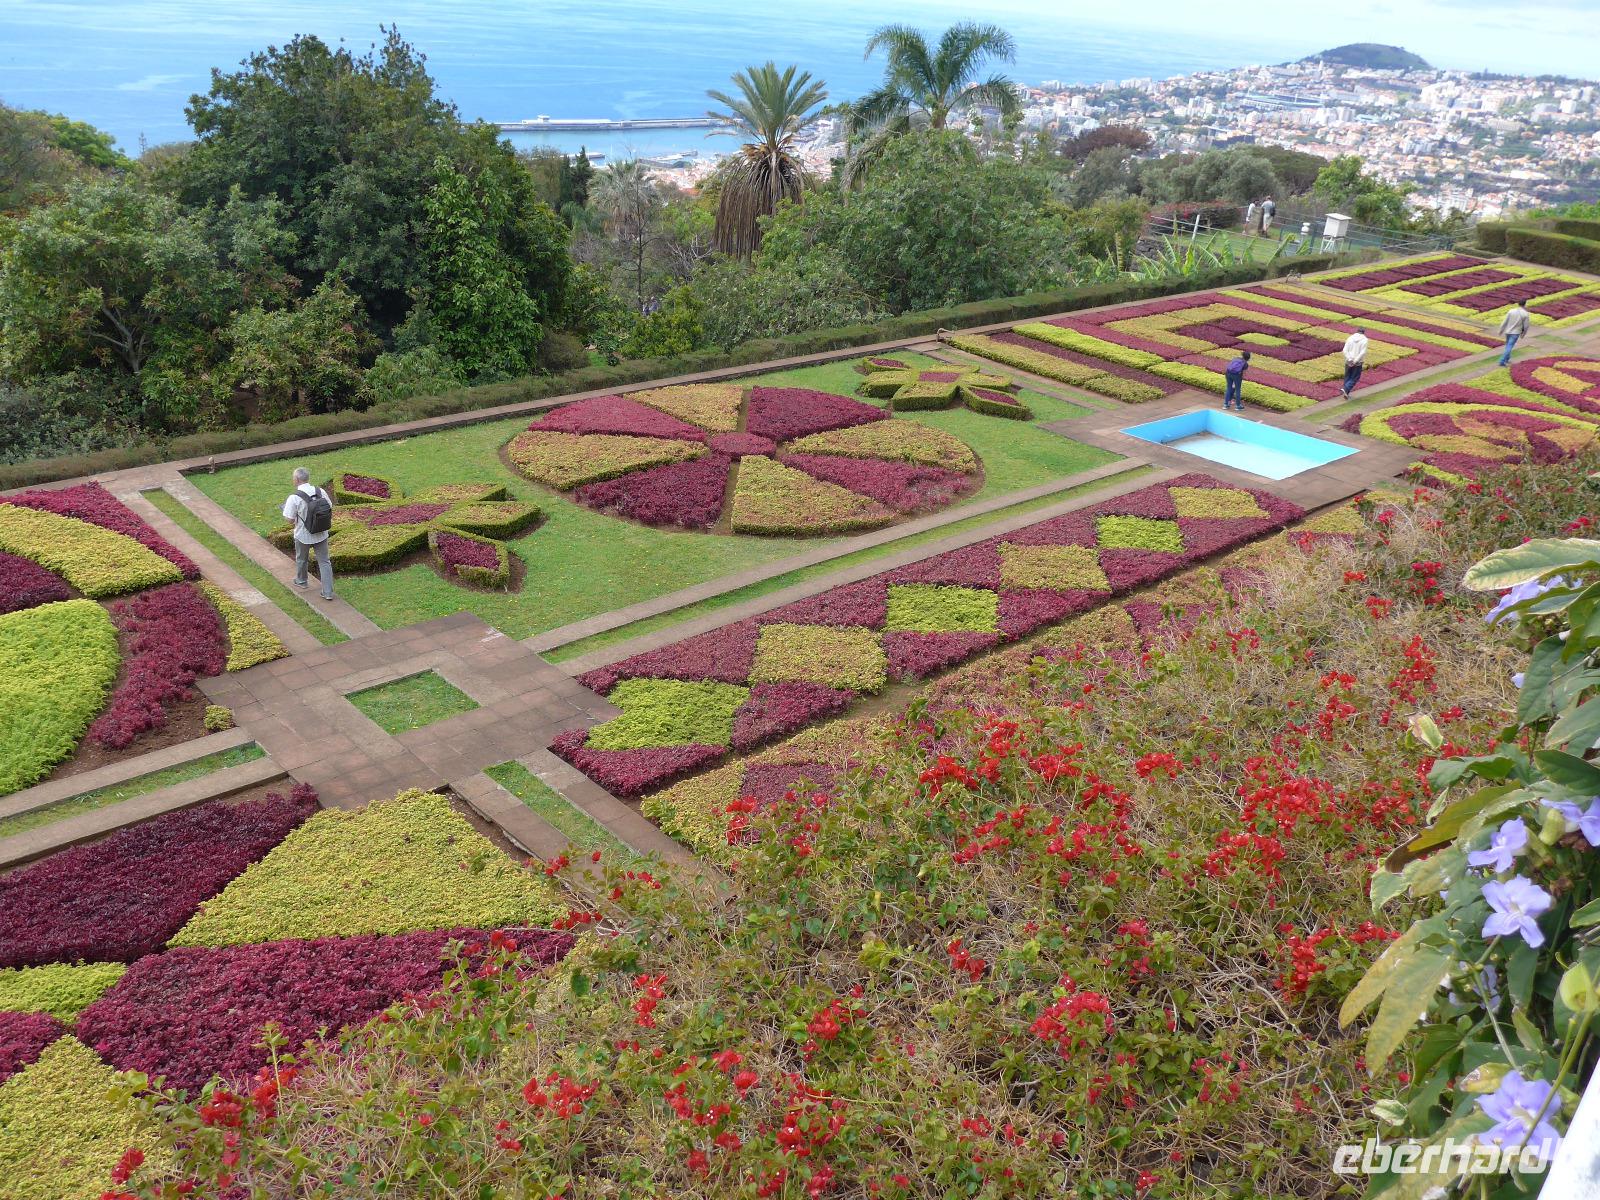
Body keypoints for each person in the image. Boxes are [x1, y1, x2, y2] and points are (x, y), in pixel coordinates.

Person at [282, 467, 335, 600]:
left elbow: (289, 520)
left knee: (302, 559)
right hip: (321, 532)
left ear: (297, 480)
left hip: (303, 535)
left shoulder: (294, 498)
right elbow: (329, 507)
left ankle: (302, 581)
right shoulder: (320, 491)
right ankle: (328, 592)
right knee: (324, 562)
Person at [1341, 326, 1369, 400]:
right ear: (1363, 332)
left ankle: (1346, 393)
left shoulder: (1350, 338)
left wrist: (1349, 359)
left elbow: (1345, 350)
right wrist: (1355, 360)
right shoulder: (1365, 340)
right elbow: (1362, 352)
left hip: (1348, 360)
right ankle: (1346, 389)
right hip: (1358, 362)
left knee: (1348, 376)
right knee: (1355, 377)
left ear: (1357, 331)